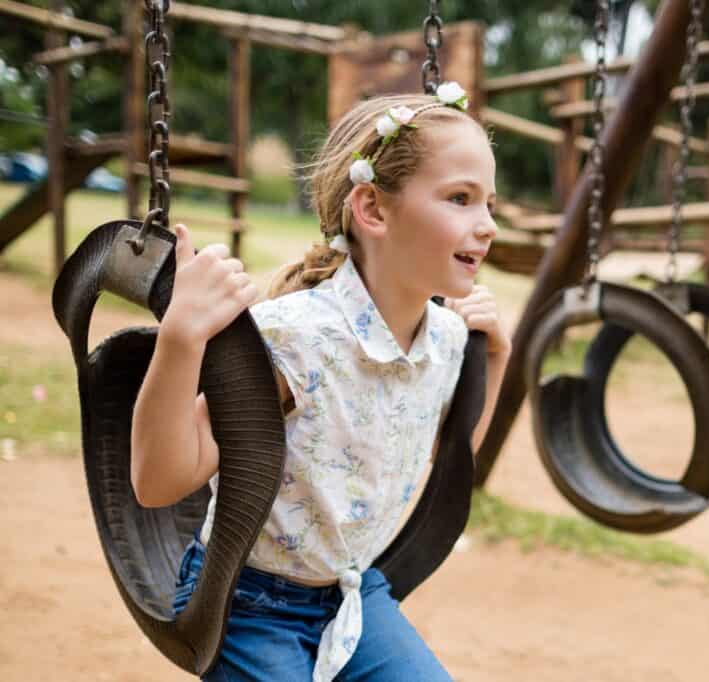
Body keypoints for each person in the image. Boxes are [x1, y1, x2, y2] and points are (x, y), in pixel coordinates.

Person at [129, 83, 510, 682]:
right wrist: (181, 340)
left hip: (354, 594)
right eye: (460, 199)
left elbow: (452, 458)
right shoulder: (292, 341)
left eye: (490, 203)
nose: (486, 225)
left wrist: (497, 357)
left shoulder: (447, 339)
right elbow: (158, 483)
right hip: (247, 604)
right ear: (374, 209)